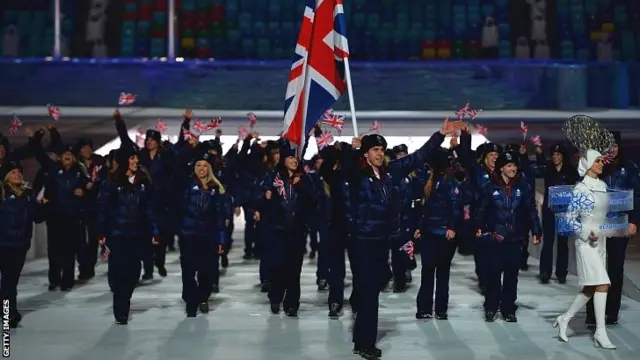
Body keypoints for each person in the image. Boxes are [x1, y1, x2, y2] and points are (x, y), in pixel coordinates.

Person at [347, 118, 462, 359]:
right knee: (370, 292)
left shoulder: (390, 173)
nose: (379, 154)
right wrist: (351, 150)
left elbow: (418, 157)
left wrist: (440, 135)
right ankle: (364, 342)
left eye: (381, 150)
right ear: (366, 154)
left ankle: (361, 318)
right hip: (362, 240)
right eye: (374, 150)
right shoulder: (357, 174)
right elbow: (340, 170)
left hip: (382, 240)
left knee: (376, 285)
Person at [552, 149, 616, 349]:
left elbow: (605, 214)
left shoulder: (603, 186)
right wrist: (586, 232)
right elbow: (570, 219)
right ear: (588, 165)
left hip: (601, 242)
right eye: (597, 161)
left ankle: (565, 318)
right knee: (604, 283)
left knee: (591, 287)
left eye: (601, 161)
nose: (601, 164)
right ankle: (600, 332)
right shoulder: (581, 189)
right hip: (586, 243)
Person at [475, 151, 541, 322]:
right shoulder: (489, 187)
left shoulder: (523, 187)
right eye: (509, 166)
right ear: (501, 168)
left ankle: (508, 309)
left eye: (515, 165)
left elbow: (531, 210)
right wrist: (478, 228)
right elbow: (481, 210)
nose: (513, 169)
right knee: (493, 274)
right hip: (495, 238)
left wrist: (536, 231)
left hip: (515, 238)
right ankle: (491, 307)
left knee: (512, 276)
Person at [97, 145, 160, 324]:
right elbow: (103, 209)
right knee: (118, 272)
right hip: (117, 234)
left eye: (136, 158)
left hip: (138, 234)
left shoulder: (143, 182)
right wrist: (101, 231)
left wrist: (155, 230)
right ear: (124, 161)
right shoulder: (111, 182)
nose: (136, 161)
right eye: (132, 158)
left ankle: (125, 298)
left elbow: (150, 209)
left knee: (133, 272)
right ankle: (121, 309)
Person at [585, 131, 640, 326]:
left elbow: (637, 196)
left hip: (618, 226)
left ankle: (611, 313)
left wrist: (634, 221)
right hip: (596, 227)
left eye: (615, 145)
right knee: (594, 268)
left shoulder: (629, 168)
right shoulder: (595, 166)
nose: (613, 149)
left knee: (615, 270)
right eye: (609, 146)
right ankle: (591, 313)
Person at [257, 146, 312, 317]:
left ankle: (292, 303)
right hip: (277, 230)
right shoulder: (273, 178)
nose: (294, 161)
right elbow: (259, 200)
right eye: (290, 158)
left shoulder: (305, 179)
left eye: (296, 158)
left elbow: (312, 201)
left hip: (297, 230)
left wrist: (301, 187)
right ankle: (275, 297)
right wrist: (265, 197)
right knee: (278, 267)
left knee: (295, 269)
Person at [177, 152, 229, 317]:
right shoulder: (186, 186)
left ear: (210, 169)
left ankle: (203, 298)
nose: (201, 168)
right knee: (188, 270)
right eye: (198, 165)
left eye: (205, 165)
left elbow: (220, 217)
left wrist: (221, 240)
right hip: (189, 235)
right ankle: (191, 301)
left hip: (209, 236)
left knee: (207, 271)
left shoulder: (217, 188)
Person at [415, 148, 463, 319]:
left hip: (444, 234)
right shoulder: (432, 179)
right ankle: (425, 308)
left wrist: (452, 227)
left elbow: (456, 207)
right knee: (428, 270)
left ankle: (440, 309)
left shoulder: (450, 181)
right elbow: (426, 208)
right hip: (429, 231)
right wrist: (420, 227)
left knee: (442, 271)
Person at [0, 162, 44, 328]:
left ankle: (7, 310)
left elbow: (37, 218)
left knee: (10, 281)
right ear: (6, 176)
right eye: (13, 172)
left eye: (19, 172)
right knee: (8, 281)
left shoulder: (28, 195)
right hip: (4, 243)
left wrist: (43, 206)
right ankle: (9, 314)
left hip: (21, 244)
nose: (17, 174)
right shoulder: (2, 193)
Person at [533, 144, 579, 284]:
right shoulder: (548, 167)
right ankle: (545, 272)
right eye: (553, 154)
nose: (555, 157)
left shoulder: (570, 170)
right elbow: (536, 169)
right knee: (548, 242)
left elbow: (579, 182)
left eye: (558, 154)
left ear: (563, 156)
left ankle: (561, 273)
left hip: (564, 212)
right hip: (549, 211)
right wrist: (537, 155)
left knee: (563, 243)